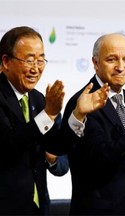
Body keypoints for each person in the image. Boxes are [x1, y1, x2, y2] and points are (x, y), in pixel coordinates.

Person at [0, 26, 109, 215]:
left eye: (41, 60)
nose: (36, 68)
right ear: (6, 61)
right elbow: (8, 145)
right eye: (29, 60)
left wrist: (78, 115)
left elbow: (55, 146)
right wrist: (48, 115)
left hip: (36, 206)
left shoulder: (38, 99)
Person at [61, 33, 125, 215]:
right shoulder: (82, 103)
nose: (120, 67)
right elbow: (103, 156)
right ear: (95, 63)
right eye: (112, 59)